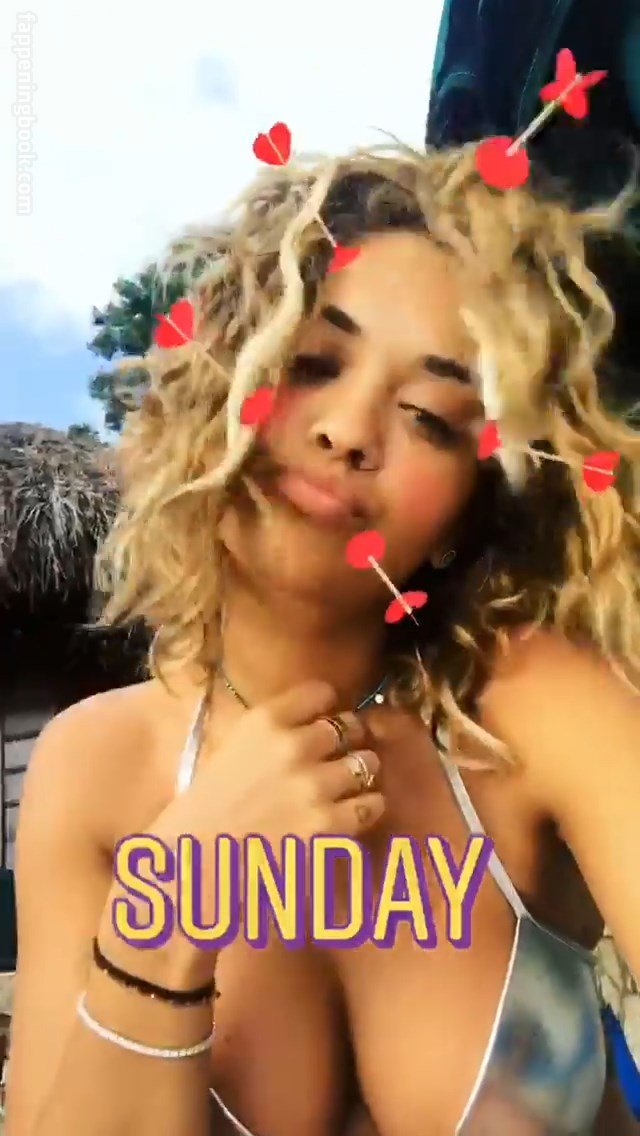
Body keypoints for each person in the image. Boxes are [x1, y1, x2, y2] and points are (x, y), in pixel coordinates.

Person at [5, 141, 640, 1136]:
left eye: (431, 416)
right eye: (311, 364)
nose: (348, 430)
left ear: (466, 513)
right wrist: (171, 909)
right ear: (219, 384)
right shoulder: (94, 767)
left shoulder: (532, 712)